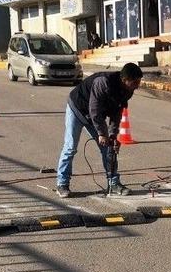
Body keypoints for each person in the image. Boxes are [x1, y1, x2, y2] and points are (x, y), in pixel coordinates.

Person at [56, 62, 143, 198]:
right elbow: (94, 110)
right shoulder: (103, 82)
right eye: (135, 82)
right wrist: (102, 134)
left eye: (139, 82)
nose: (137, 86)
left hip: (95, 115)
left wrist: (113, 136)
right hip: (77, 109)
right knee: (70, 147)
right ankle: (62, 184)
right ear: (125, 80)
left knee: (109, 148)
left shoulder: (127, 91)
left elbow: (117, 113)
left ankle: (113, 183)